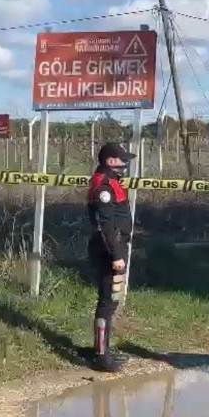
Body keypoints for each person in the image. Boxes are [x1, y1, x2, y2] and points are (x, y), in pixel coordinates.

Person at [87, 142, 136, 373]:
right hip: (109, 248)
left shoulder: (109, 181)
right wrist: (116, 255)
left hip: (112, 245)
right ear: (110, 161)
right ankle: (101, 356)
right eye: (122, 160)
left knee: (111, 300)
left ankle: (103, 348)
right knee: (108, 302)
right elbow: (105, 224)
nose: (125, 163)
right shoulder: (104, 186)